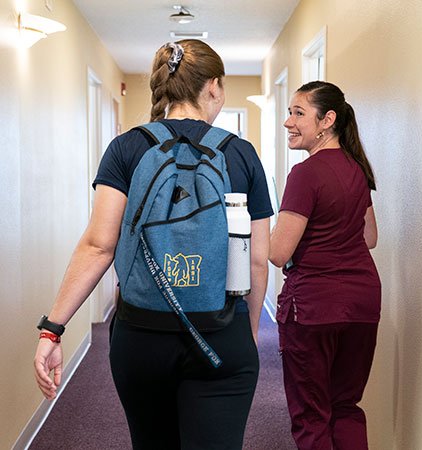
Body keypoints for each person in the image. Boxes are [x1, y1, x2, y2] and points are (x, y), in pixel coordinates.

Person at [34, 39, 273, 450]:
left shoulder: (127, 148)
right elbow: (258, 262)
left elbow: (98, 247)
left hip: (141, 337)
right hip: (219, 333)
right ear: (214, 86)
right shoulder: (242, 154)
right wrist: (244, 338)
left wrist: (52, 331)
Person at [269, 81, 381, 450]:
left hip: (315, 309)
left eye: (298, 113)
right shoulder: (357, 169)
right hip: (362, 303)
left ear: (327, 120)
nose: (288, 122)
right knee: (345, 406)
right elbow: (369, 238)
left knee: (311, 414)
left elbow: (278, 253)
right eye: (289, 113)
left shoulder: (305, 174)